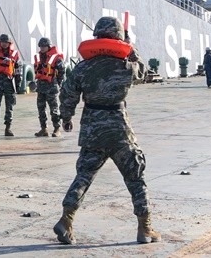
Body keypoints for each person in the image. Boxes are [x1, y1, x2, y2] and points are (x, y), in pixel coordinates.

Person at [53, 16, 161, 245]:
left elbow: (68, 93)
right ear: (118, 37)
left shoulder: (83, 67)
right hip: (119, 130)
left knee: (83, 176)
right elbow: (143, 72)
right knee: (135, 176)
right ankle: (145, 228)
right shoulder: (125, 66)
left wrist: (66, 117)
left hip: (92, 130)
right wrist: (131, 48)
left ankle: (66, 220)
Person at [33, 37, 66, 137]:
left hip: (51, 87)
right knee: (41, 109)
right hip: (41, 87)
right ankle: (44, 129)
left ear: (49, 46)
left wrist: (58, 84)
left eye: (44, 46)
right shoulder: (39, 57)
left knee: (54, 109)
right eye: (41, 46)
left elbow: (62, 72)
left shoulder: (56, 58)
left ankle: (57, 129)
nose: (42, 48)